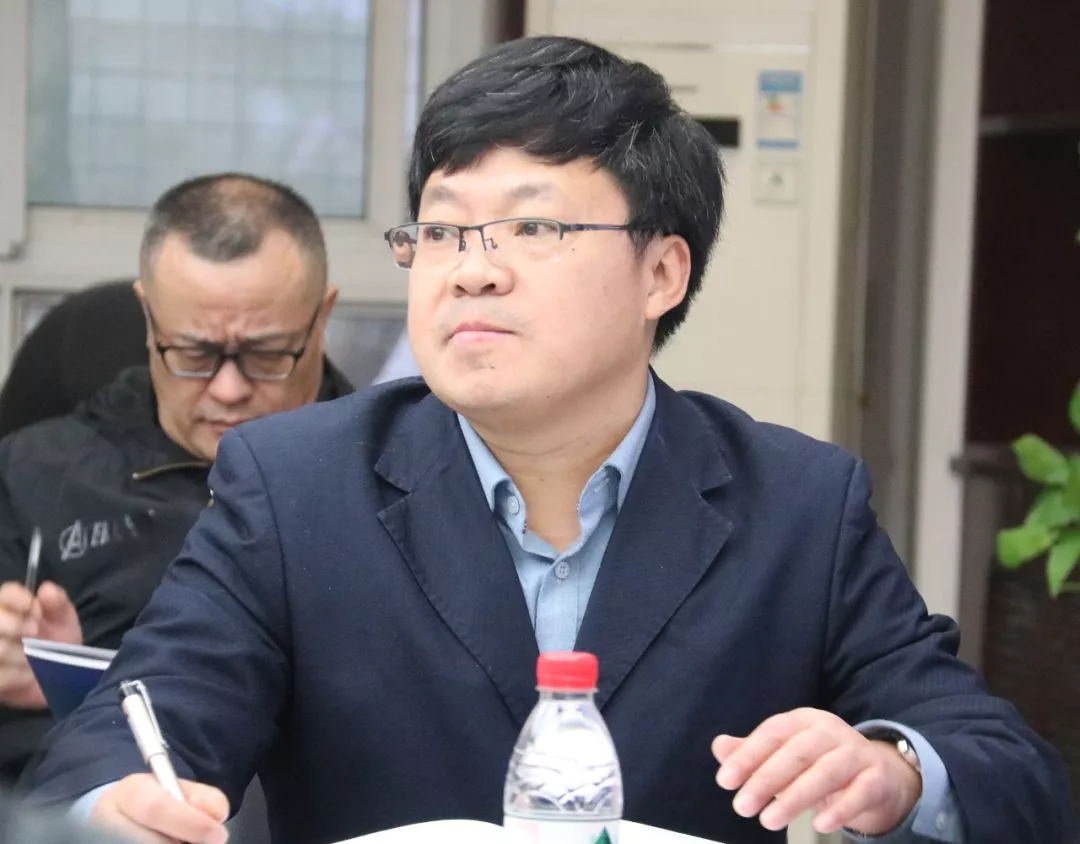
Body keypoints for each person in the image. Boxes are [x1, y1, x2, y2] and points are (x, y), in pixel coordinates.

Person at [23, 36, 1077, 844]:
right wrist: (115, 804)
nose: (472, 269)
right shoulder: (297, 486)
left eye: (534, 227)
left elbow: (1009, 768)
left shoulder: (799, 503)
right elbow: (130, 724)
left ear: (661, 273)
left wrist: (896, 769)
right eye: (443, 228)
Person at [0, 173, 351, 782]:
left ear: (321, 319)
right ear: (148, 318)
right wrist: (51, 679)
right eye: (193, 354)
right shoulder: (33, 475)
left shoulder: (390, 479)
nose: (229, 389)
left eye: (267, 354)